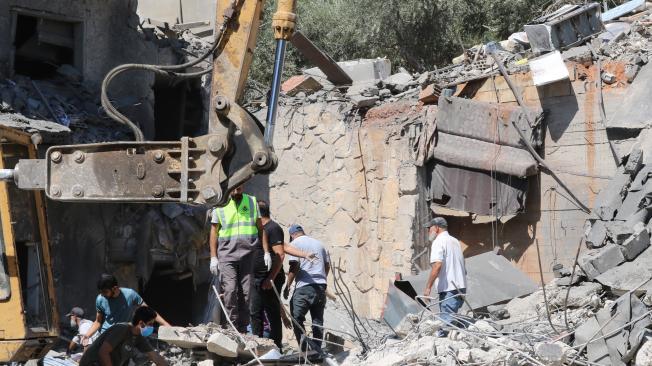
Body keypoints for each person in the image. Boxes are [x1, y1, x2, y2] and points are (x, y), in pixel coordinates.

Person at [249, 200, 316, 350]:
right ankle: (257, 345)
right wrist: (304, 254)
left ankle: (275, 346)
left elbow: (280, 253)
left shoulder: (272, 228)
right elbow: (284, 246)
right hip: (259, 277)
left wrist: (270, 278)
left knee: (271, 312)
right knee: (255, 312)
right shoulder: (262, 228)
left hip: (268, 278)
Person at [209, 186, 270, 333]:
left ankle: (242, 328)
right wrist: (213, 257)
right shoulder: (220, 204)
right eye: (234, 190)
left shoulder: (251, 202)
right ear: (229, 189)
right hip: (227, 254)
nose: (236, 193)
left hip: (248, 254)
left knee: (246, 293)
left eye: (239, 189)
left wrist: (266, 251)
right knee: (230, 290)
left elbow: (260, 228)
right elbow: (214, 232)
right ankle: (232, 326)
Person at [283, 225, 330, 353]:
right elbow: (327, 265)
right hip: (320, 287)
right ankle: (316, 351)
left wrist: (287, 286)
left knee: (296, 318)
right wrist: (322, 279)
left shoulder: (295, 244)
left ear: (292, 235)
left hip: (303, 287)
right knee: (317, 321)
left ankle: (304, 351)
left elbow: (294, 266)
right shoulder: (319, 244)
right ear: (303, 232)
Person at [83, 274, 170, 342]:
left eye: (105, 291)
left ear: (115, 288)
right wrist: (87, 335)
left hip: (123, 334)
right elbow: (98, 321)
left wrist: (166, 325)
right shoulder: (100, 299)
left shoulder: (130, 294)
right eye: (100, 292)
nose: (102, 294)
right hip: (106, 334)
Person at [422, 217, 467, 338]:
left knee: (447, 328)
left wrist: (428, 287)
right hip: (459, 287)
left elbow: (437, 265)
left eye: (429, 228)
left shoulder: (438, 241)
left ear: (436, 228)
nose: (428, 231)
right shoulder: (455, 241)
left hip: (449, 289)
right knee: (450, 322)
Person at [79, 306, 168, 366]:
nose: (152, 327)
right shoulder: (122, 329)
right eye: (150, 324)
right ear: (141, 323)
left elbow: (154, 356)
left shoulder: (139, 337)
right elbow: (103, 352)